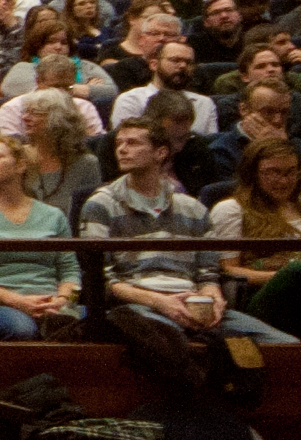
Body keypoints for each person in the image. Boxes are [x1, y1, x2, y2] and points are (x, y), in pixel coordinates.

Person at [84, 118, 287, 340]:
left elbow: (208, 274)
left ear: (160, 153)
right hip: (137, 305)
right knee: (175, 343)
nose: (122, 150)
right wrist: (160, 301)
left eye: (133, 143)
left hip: (193, 301)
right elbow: (102, 280)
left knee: (284, 345)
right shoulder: (101, 205)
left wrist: (213, 299)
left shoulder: (193, 208)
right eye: (119, 144)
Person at [0, 134, 81, 340]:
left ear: (20, 165)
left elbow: (70, 270)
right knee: (21, 329)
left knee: (98, 322)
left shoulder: (53, 215)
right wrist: (18, 301)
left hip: (52, 300)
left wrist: (64, 299)